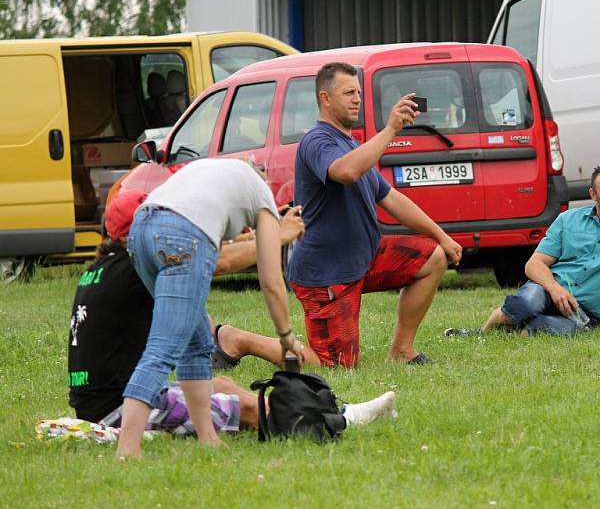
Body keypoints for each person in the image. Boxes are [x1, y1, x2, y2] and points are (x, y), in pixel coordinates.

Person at [69, 189, 395, 446]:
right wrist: (276, 238)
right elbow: (217, 260)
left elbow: (210, 247)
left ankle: (336, 409)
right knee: (250, 411)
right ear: (133, 234)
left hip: (103, 398)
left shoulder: (106, 270)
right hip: (118, 408)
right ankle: (340, 421)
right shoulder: (136, 268)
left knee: (221, 384)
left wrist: (262, 230)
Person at [115, 158, 307, 457]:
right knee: (164, 347)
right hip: (182, 233)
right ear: (265, 181)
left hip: (141, 229)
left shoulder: (212, 174)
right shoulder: (263, 196)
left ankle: (208, 437)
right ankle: (127, 448)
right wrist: (286, 337)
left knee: (199, 338)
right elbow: (271, 280)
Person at [286, 62, 463, 368]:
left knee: (433, 257)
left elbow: (391, 198)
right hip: (327, 275)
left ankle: (402, 350)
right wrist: (392, 129)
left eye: (358, 92)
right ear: (325, 99)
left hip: (365, 259)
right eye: (348, 93)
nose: (356, 99)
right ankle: (237, 340)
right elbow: (346, 172)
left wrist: (441, 236)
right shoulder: (317, 141)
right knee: (336, 367)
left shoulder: (352, 143)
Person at [447, 162, 600, 336]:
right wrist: (555, 288)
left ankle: (517, 328)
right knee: (523, 305)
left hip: (584, 313)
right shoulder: (567, 220)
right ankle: (483, 333)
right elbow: (534, 264)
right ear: (593, 194)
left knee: (537, 331)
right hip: (548, 289)